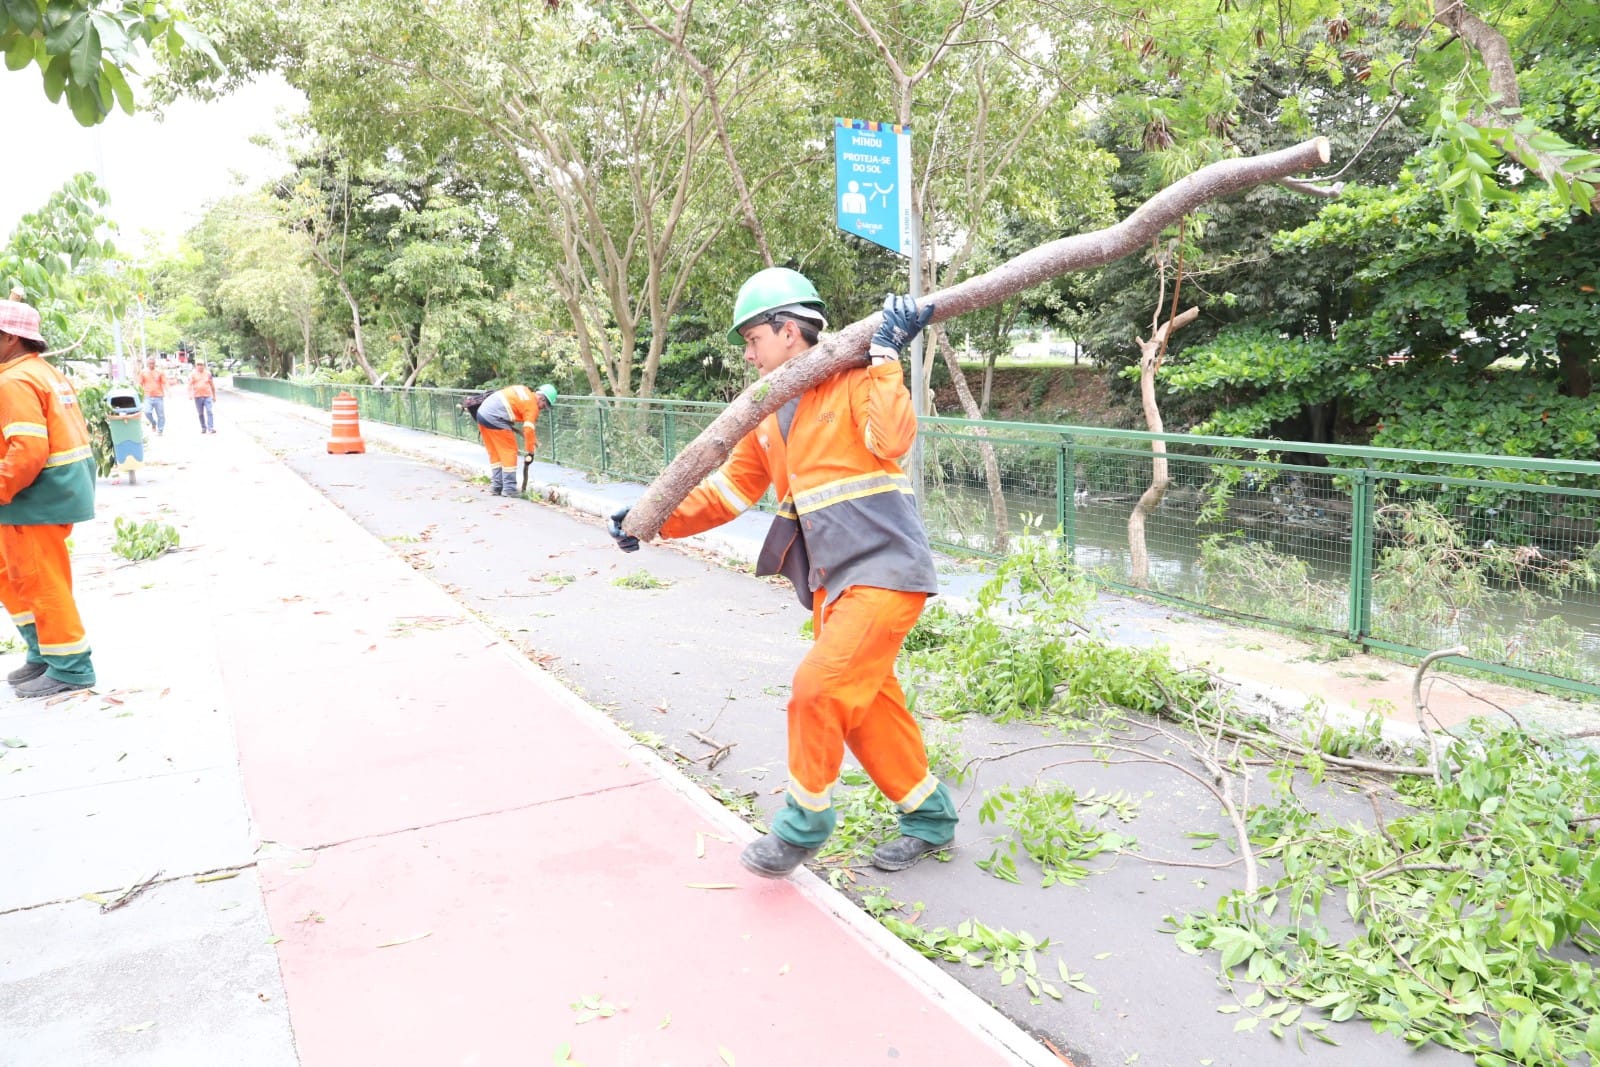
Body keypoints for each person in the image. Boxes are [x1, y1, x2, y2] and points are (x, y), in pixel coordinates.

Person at [608, 267, 956, 878]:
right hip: (831, 583)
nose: (747, 355)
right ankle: (929, 817)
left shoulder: (854, 379)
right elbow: (730, 489)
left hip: (886, 572)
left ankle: (804, 825)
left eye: (753, 340)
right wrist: (653, 518)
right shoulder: (769, 413)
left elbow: (894, 439)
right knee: (869, 706)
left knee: (818, 691)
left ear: (788, 331)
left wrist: (886, 356)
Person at [0, 295, 97, 698]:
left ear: (8, 338)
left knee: (39, 581)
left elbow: (27, 450)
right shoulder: (41, 372)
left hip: (31, 497)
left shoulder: (13, 380)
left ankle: (71, 668)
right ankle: (44, 654)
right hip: (42, 495)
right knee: (15, 579)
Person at [471, 383, 556, 496]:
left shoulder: (524, 390)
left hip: (482, 414)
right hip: (495, 418)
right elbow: (528, 429)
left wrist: (533, 439)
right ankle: (509, 488)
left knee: (495, 453)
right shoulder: (532, 406)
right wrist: (530, 451)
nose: (542, 408)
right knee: (509, 451)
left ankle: (496, 486)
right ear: (541, 398)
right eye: (544, 405)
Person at [137, 355, 166, 435]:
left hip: (159, 396)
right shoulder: (143, 372)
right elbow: (139, 384)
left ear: (155, 363)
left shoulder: (159, 372)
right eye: (150, 363)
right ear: (147, 364)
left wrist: (169, 391)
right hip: (148, 397)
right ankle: (153, 423)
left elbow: (165, 382)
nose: (151, 365)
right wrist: (139, 393)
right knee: (147, 412)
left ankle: (160, 430)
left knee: (160, 415)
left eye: (153, 363)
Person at [189, 358, 215, 433]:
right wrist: (190, 394)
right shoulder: (193, 374)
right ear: (196, 366)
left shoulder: (208, 374)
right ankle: (203, 427)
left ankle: (211, 428)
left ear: (204, 366)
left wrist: (214, 396)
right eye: (198, 365)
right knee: (200, 413)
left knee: (209, 411)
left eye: (201, 365)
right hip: (198, 397)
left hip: (207, 396)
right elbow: (190, 385)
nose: (200, 366)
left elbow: (212, 385)